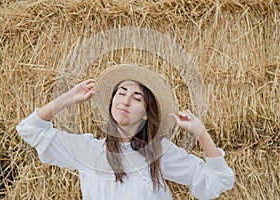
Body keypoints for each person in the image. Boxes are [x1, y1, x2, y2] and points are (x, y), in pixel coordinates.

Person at [16, 64, 234, 200]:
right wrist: (68, 98)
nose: (126, 101)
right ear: (112, 102)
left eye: (137, 98)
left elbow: (216, 181)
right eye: (121, 93)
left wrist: (200, 132)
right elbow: (30, 130)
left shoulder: (158, 152)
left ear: (147, 113)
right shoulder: (88, 150)